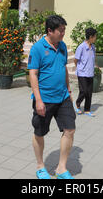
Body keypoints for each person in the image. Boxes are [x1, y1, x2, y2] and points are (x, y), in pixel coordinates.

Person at [28, 15, 76, 180]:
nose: (63, 34)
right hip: (45, 99)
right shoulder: (38, 48)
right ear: (50, 31)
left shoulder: (62, 46)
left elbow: (63, 69)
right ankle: (40, 166)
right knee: (39, 132)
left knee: (70, 129)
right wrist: (38, 100)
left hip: (62, 96)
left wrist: (69, 91)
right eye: (60, 31)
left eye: (64, 30)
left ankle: (61, 168)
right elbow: (33, 74)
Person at [74, 28, 97, 117]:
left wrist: (95, 66)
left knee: (89, 92)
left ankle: (87, 110)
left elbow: (92, 59)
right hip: (82, 73)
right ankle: (77, 104)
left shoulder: (93, 47)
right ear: (91, 37)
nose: (95, 38)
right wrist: (80, 69)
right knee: (83, 91)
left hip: (90, 73)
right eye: (95, 37)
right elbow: (76, 60)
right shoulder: (81, 47)